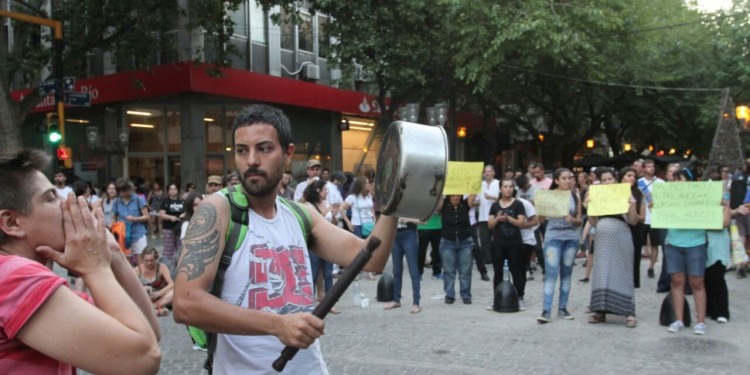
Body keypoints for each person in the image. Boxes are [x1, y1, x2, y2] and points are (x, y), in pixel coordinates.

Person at [172, 104, 397, 374]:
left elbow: (371, 260)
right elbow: (185, 303)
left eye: (264, 148)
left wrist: (395, 197)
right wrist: (277, 325)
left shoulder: (300, 215)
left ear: (288, 153)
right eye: (242, 150)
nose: (251, 160)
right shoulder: (217, 211)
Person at [0, 149, 161, 374]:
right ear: (12, 223)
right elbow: (143, 359)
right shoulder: (14, 276)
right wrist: (96, 268)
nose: (69, 202)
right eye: (50, 198)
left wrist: (112, 253)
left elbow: (148, 332)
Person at [585, 167, 640, 328]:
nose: (607, 182)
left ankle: (629, 312)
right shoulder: (597, 195)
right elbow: (594, 222)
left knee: (623, 271)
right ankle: (600, 310)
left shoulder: (624, 194)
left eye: (610, 179)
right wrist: (589, 207)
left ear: (616, 180)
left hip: (621, 236)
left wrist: (632, 205)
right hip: (602, 239)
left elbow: (633, 221)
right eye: (604, 180)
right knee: (602, 271)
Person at [664, 169, 711, 335]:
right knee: (677, 282)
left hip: (696, 242)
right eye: (675, 180)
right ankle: (679, 319)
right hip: (673, 242)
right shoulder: (668, 197)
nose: (678, 183)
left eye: (681, 179)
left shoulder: (700, 197)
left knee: (697, 282)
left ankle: (700, 321)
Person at [537, 168, 582, 323]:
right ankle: (546, 310)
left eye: (570, 178)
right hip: (553, 237)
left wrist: (572, 220)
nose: (567, 181)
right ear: (556, 180)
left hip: (570, 238)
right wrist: (541, 209)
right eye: (564, 178)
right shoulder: (549, 195)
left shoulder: (575, 195)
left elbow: (579, 220)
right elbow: (541, 220)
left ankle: (562, 308)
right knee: (551, 274)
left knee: (566, 274)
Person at [303, 180, 341, 314]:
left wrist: (335, 216)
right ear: (318, 191)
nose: (327, 192)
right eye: (325, 189)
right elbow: (313, 223)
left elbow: (333, 224)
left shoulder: (327, 204)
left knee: (328, 274)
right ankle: (309, 305)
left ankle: (329, 304)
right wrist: (325, 212)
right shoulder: (308, 206)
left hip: (328, 243)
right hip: (314, 245)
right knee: (313, 275)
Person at [488, 178, 527, 308]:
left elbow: (521, 223)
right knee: (497, 272)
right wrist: (498, 219)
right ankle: (497, 298)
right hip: (498, 242)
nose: (508, 189)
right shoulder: (495, 205)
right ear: (500, 189)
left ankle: (519, 296)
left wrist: (509, 218)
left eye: (510, 186)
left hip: (514, 242)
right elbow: (490, 224)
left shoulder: (518, 204)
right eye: (505, 186)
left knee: (516, 271)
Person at [437, 194, 476, 305]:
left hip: (465, 241)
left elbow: (473, 190)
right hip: (448, 241)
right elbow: (437, 201)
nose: (456, 198)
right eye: (453, 195)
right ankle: (449, 294)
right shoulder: (443, 204)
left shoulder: (465, 204)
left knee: (466, 271)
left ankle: (466, 294)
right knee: (449, 270)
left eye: (458, 195)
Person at [384, 217, 424, 314]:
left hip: (409, 233)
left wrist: (408, 220)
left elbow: (423, 221)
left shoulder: (410, 203)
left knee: (413, 270)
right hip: (395, 234)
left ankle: (416, 302)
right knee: (396, 270)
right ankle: (396, 299)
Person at [112, 178, 150, 265]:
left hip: (138, 233)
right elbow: (113, 217)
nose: (121, 194)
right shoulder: (117, 201)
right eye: (119, 191)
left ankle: (140, 277)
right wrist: (114, 226)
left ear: (128, 189)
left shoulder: (138, 199)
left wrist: (134, 218)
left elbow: (147, 217)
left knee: (141, 261)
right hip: (123, 235)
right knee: (127, 262)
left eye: (124, 191)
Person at [620, 167, 646, 289]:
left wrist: (633, 211)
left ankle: (634, 282)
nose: (632, 178)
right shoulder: (615, 192)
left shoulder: (638, 193)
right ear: (621, 178)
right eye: (628, 175)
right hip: (620, 227)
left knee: (635, 256)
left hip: (635, 229)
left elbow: (643, 217)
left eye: (634, 176)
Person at [638, 159, 665, 278]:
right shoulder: (639, 183)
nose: (651, 168)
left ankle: (651, 267)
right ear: (643, 169)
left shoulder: (661, 182)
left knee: (655, 244)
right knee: (639, 243)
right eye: (648, 166)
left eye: (653, 166)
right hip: (643, 217)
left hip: (655, 217)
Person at [134, 247, 174, 317]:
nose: (149, 263)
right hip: (145, 296)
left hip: (160, 295)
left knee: (173, 293)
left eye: (152, 260)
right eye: (147, 261)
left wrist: (158, 293)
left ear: (156, 258)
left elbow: (172, 284)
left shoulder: (161, 267)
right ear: (143, 259)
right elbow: (130, 287)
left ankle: (153, 307)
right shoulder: (137, 270)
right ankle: (157, 309)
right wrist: (142, 289)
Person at [477, 165, 499, 265]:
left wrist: (491, 197)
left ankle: (497, 257)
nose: (487, 173)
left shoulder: (498, 183)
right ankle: (487, 259)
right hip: (482, 215)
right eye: (486, 172)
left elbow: (504, 198)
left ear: (493, 173)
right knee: (484, 239)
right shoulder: (480, 184)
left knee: (497, 238)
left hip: (495, 216)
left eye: (489, 171)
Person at [158, 183, 185, 264]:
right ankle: (167, 265)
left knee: (180, 247)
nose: (173, 191)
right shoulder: (165, 201)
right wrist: (170, 217)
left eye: (175, 189)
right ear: (168, 191)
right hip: (168, 227)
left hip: (180, 227)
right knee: (168, 248)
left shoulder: (182, 201)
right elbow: (161, 214)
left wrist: (184, 214)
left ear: (177, 190)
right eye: (171, 189)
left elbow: (188, 211)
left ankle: (179, 264)